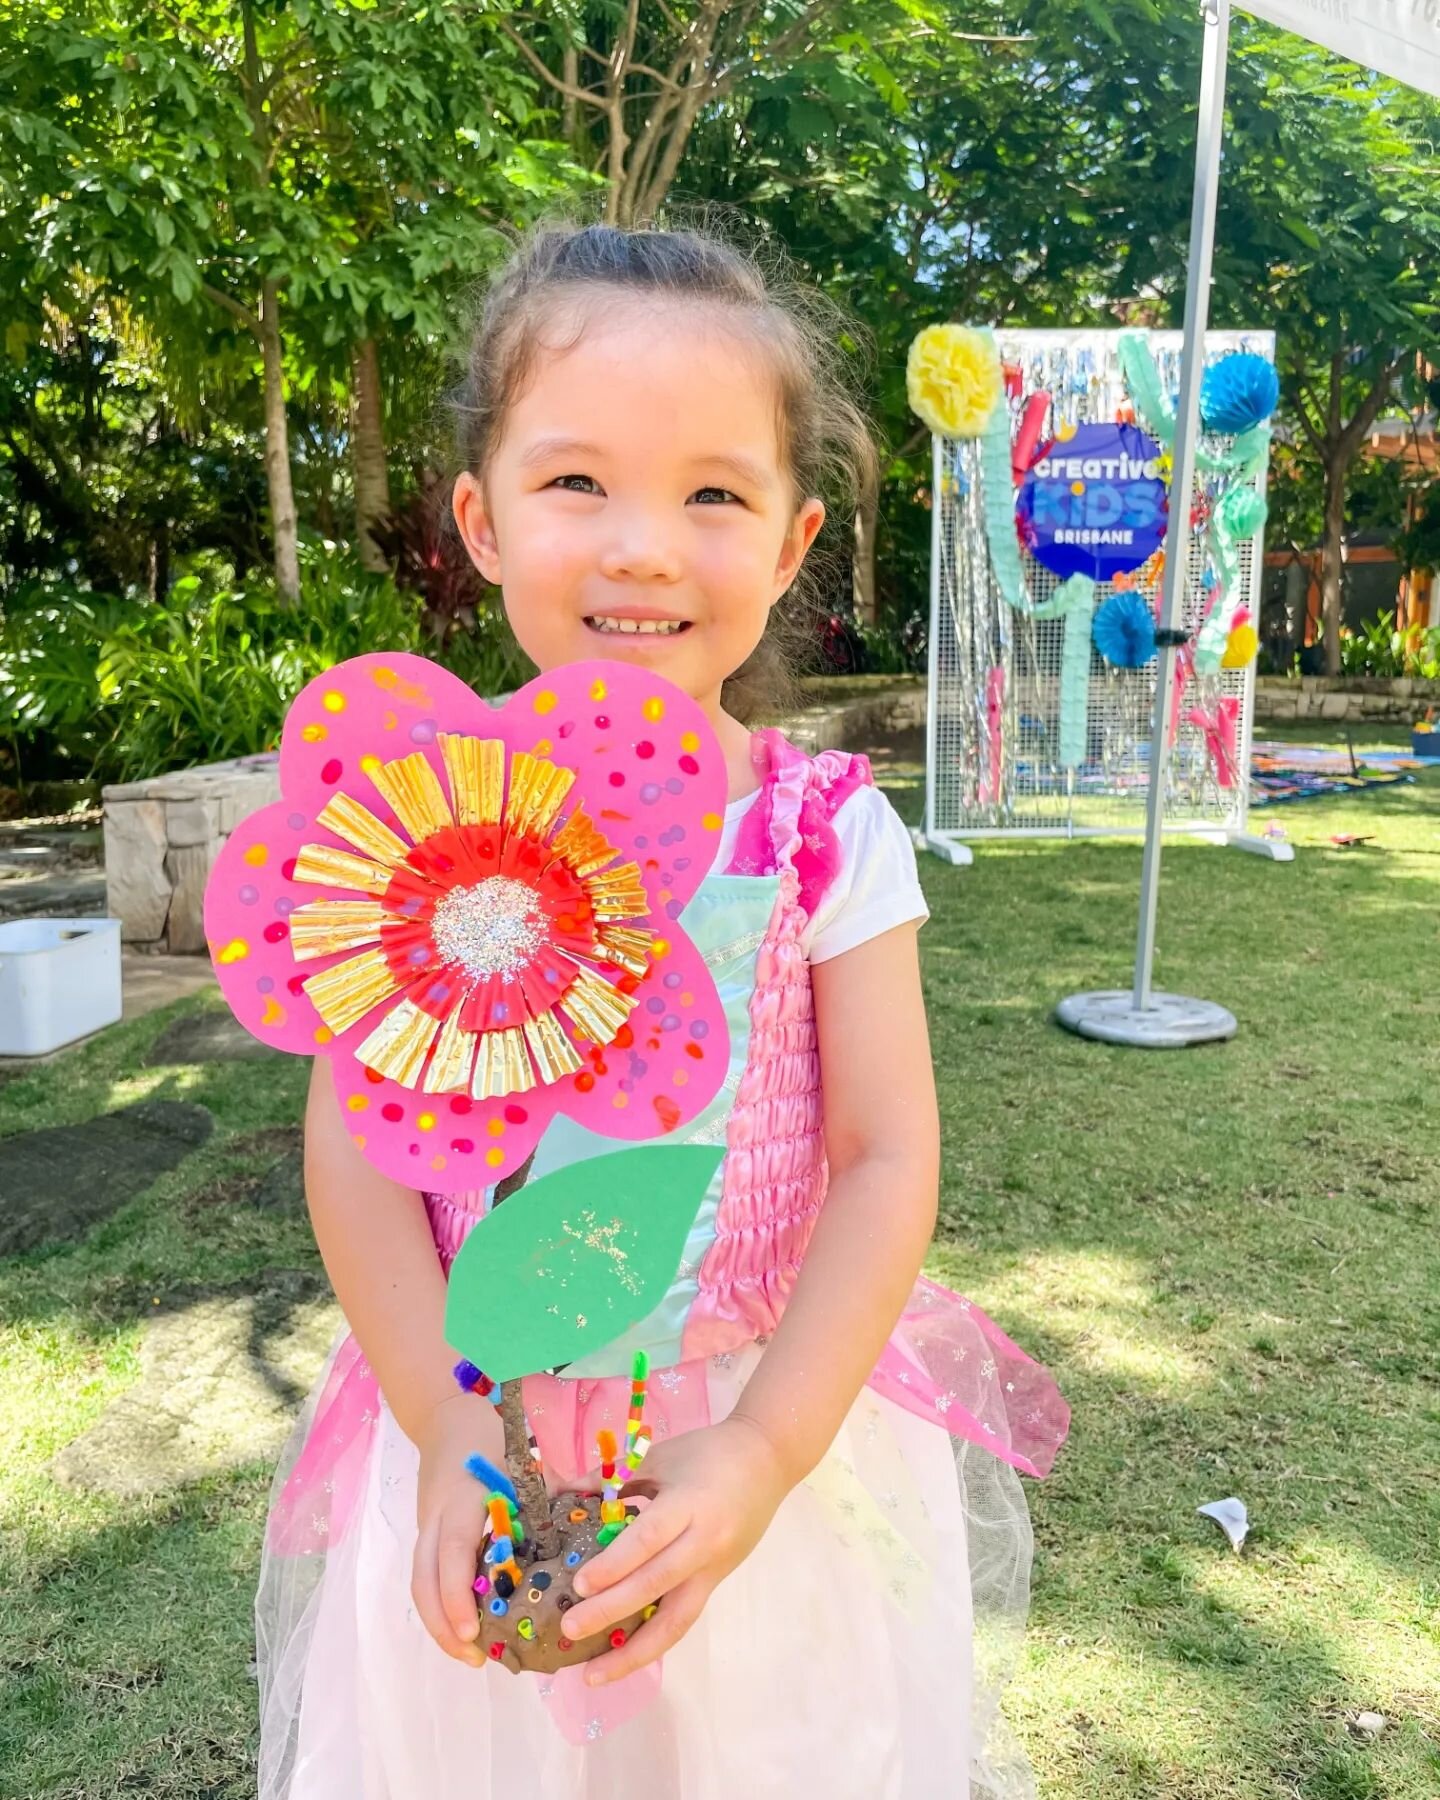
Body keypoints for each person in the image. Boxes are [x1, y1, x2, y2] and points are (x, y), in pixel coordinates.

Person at [254, 219, 1069, 1799]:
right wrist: (438, 1427)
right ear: (478, 521)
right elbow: (357, 1149)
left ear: (789, 539)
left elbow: (889, 1152)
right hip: (473, 1449)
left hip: (748, 1443)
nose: (642, 544)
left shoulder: (826, 831)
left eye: (712, 492)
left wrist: (765, 1449)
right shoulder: (410, 814)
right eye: (577, 482)